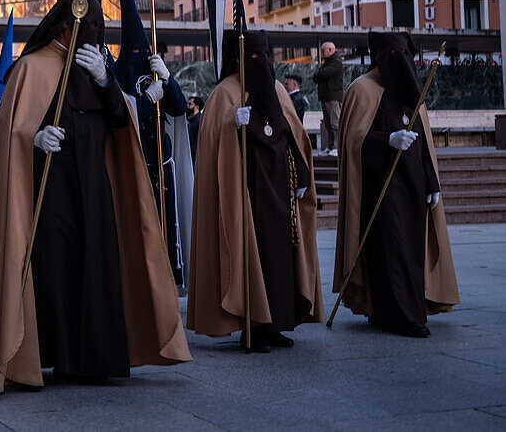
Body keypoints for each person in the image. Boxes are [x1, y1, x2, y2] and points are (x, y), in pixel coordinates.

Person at [0, 0, 191, 393]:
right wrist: (34, 136)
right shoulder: (30, 68)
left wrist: (104, 80)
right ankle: (54, 355)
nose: (92, 39)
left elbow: (120, 120)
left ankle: (92, 358)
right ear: (65, 27)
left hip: (97, 188)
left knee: (97, 267)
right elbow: (12, 132)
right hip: (52, 189)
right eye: (85, 30)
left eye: (99, 32)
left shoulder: (95, 67)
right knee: (56, 269)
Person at [188, 30, 323, 352]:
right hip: (246, 196)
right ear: (237, 58)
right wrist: (230, 125)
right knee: (251, 256)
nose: (260, 62)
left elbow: (295, 135)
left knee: (280, 260)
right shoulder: (224, 93)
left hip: (280, 191)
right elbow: (212, 150)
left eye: (264, 55)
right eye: (252, 56)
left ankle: (275, 324)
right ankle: (252, 325)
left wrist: (302, 174)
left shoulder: (277, 89)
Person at [333, 32, 458, 337]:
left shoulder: (411, 88)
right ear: (378, 55)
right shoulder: (361, 90)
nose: (400, 59)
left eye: (405, 52)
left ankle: (391, 311)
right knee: (390, 248)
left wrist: (431, 183)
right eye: (393, 53)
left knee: (410, 249)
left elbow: (425, 142)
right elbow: (351, 142)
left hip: (413, 183)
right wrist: (386, 141)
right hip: (381, 187)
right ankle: (401, 316)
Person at [112, 0, 192, 289]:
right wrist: (148, 100)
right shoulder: (116, 77)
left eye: (143, 54)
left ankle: (170, 276)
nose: (139, 60)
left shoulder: (156, 69)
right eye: (134, 55)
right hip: (133, 161)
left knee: (166, 221)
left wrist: (168, 80)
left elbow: (179, 109)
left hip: (163, 158)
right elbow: (120, 115)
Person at [312, 41, 343, 155]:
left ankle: (336, 147)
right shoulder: (329, 62)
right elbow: (317, 76)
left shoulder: (335, 62)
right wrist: (319, 74)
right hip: (326, 96)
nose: (321, 52)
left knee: (334, 123)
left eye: (323, 50)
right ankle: (331, 146)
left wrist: (319, 74)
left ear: (331, 50)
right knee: (328, 123)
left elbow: (321, 74)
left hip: (333, 96)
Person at [186, 95, 204, 163]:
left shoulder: (200, 122)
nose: (187, 106)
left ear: (196, 107)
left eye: (190, 104)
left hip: (194, 160)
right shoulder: (191, 121)